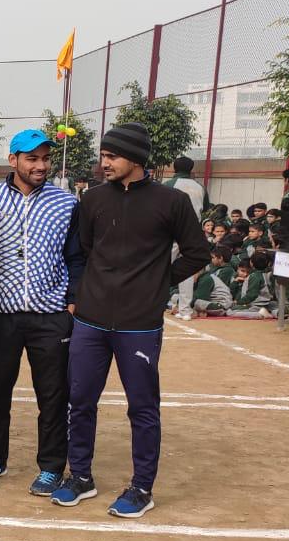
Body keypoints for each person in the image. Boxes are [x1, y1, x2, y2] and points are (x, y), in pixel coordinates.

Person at [51, 122, 211, 518]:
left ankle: (141, 488)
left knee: (142, 407)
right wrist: (81, 295)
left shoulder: (171, 202)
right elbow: (83, 252)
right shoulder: (92, 199)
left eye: (112, 156)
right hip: (90, 320)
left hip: (140, 323)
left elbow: (197, 253)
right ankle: (80, 476)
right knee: (80, 401)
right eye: (103, 155)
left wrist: (158, 283)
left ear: (136, 159)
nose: (104, 163)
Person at [0, 129, 83, 497]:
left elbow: (76, 256)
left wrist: (72, 299)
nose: (40, 165)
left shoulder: (65, 203)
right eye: (32, 158)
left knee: (53, 396)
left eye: (45, 158)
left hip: (50, 315)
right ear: (13, 160)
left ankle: (51, 466)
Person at [166, 156, 208, 320]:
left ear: (174, 168)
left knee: (158, 267)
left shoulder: (169, 185)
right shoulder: (200, 187)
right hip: (192, 232)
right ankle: (185, 310)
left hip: (171, 233)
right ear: (191, 169)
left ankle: (153, 303)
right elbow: (206, 207)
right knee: (187, 271)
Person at [227, 254, 275, 319]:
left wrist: (238, 302)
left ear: (251, 263)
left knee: (230, 312)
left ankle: (259, 314)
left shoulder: (254, 276)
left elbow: (252, 295)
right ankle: (271, 312)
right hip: (265, 304)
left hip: (256, 305)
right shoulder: (266, 274)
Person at [190, 247, 236, 316]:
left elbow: (201, 297)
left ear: (220, 258)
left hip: (221, 304)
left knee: (195, 301)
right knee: (180, 297)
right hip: (212, 299)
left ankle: (195, 311)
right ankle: (199, 311)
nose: (211, 260)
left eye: (213, 257)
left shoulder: (227, 270)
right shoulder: (213, 269)